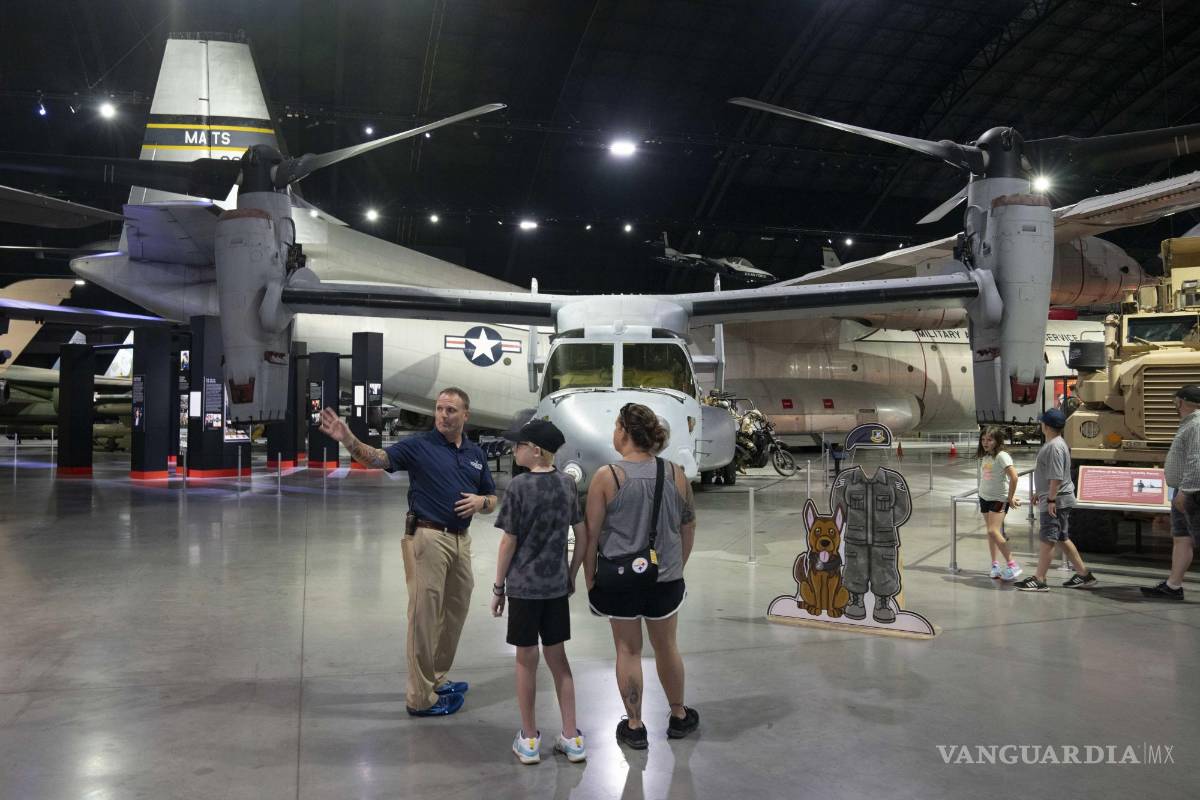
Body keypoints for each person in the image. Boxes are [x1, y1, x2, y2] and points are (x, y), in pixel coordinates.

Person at [318, 387, 496, 717]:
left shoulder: (475, 453)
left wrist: (481, 502)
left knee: (454, 612)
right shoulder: (419, 446)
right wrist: (347, 439)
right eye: (440, 409)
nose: (443, 415)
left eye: (451, 410)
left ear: (465, 415)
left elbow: (491, 496)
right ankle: (420, 698)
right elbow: (378, 458)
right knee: (423, 618)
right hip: (427, 538)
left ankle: (436, 678)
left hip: (462, 540)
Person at [583, 403, 699, 749]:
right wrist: (676, 566)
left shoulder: (606, 477)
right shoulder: (676, 473)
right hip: (664, 580)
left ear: (624, 431)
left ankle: (634, 725)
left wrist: (590, 580)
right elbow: (687, 525)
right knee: (667, 646)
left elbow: (591, 535)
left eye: (615, 426)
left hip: (619, 582)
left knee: (628, 650)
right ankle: (678, 716)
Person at [490, 419, 588, 764]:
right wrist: (571, 574)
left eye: (518, 445)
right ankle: (572, 737)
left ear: (535, 450)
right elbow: (583, 535)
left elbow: (508, 541)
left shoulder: (519, 487)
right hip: (555, 587)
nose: (513, 450)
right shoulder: (566, 485)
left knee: (525, 661)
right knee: (559, 660)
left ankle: (530, 739)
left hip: (524, 590)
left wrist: (498, 587)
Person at [1013, 409, 1098, 592]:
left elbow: (1056, 477)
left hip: (1056, 502)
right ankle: (1084, 574)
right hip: (1057, 498)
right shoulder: (1058, 444)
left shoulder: (1053, 447)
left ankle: (1040, 578)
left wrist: (1051, 499)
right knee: (1061, 537)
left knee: (1048, 538)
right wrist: (1041, 492)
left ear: (1046, 426)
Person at [1142, 384, 1200, 599]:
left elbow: (1197, 461)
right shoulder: (1189, 423)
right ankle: (1173, 586)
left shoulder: (1196, 424)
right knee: (1182, 538)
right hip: (1184, 491)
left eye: (1175, 401)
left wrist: (1186, 491)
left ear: (1181, 401)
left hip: (1193, 493)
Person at [975, 427, 1022, 581]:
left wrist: (1010, 497)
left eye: (989, 440)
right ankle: (995, 565)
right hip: (984, 498)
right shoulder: (986, 456)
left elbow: (1014, 477)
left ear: (997, 441)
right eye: (983, 440)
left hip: (998, 499)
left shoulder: (1002, 456)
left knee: (993, 531)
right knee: (991, 533)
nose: (985, 443)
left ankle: (1012, 564)